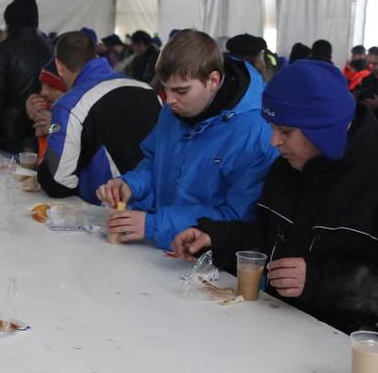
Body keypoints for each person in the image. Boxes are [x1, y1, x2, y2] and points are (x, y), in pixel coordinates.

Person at [171, 61, 378, 373]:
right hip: (295, 349)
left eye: (286, 131)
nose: (274, 141)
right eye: (273, 128)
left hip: (374, 370)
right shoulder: (291, 168)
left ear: (324, 128)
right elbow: (271, 239)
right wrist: (216, 238)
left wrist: (321, 281)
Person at [98, 29, 278, 249]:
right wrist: (131, 185)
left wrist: (155, 225)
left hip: (213, 265)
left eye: (181, 91)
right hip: (164, 249)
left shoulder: (256, 134)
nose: (170, 100)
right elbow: (154, 163)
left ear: (213, 80)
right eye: (166, 89)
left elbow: (237, 217)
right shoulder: (174, 110)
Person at [36, 31, 161, 203]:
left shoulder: (69, 104)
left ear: (59, 66)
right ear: (95, 56)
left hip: (108, 212)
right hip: (158, 208)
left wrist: (51, 132)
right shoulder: (147, 90)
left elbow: (57, 182)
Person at [0, 0, 51, 155]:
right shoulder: (49, 48)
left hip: (7, 140)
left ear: (10, 21)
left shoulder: (3, 50)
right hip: (42, 139)